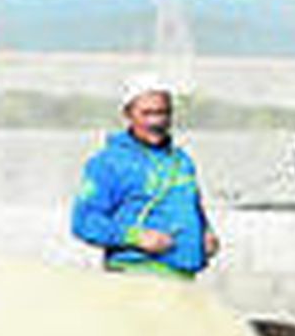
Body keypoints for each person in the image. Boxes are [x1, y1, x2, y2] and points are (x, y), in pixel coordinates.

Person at [71, 73, 219, 278]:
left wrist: (206, 232)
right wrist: (137, 237)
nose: (156, 121)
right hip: (135, 275)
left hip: (183, 277)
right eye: (147, 113)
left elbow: (193, 207)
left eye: (163, 113)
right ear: (128, 114)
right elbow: (84, 222)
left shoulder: (181, 161)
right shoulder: (108, 163)